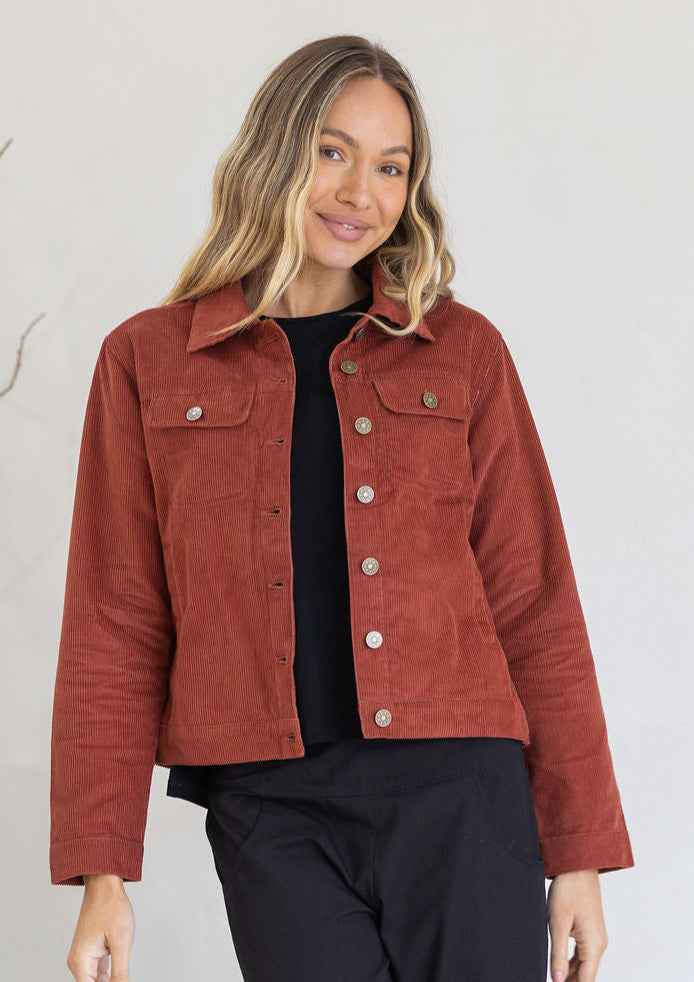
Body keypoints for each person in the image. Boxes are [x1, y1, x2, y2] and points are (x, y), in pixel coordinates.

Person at [50, 34, 634, 982]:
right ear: (274, 152)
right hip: (273, 815)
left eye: (390, 166)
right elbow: (115, 621)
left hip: (464, 799)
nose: (359, 191)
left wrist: (579, 854)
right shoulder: (148, 362)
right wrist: (102, 870)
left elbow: (534, 603)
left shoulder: (463, 352)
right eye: (332, 151)